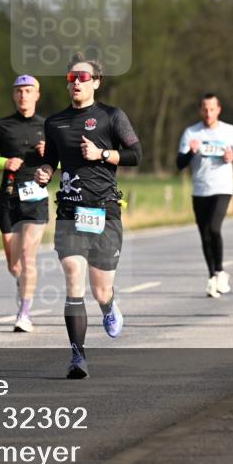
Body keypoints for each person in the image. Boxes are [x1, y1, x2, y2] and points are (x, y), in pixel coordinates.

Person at [35, 53, 142, 379]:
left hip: (104, 210)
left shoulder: (112, 117)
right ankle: (77, 357)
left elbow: (136, 155)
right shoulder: (55, 122)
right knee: (72, 278)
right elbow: (51, 160)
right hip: (69, 210)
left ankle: (109, 306)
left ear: (96, 82)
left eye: (83, 78)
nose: (76, 83)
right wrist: (44, 172)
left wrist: (103, 155)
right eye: (71, 78)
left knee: (100, 289)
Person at [0, 75, 48, 333]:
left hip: (36, 198)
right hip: (8, 197)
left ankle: (24, 313)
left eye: (28, 91)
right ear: (13, 95)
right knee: (15, 265)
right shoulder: (2, 126)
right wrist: (4, 162)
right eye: (19, 91)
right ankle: (23, 287)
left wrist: (50, 154)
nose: (23, 96)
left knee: (28, 255)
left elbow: (66, 162)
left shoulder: (48, 126)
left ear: (37, 95)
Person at [177, 94, 233, 296]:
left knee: (214, 228)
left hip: (222, 187)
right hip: (200, 189)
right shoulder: (191, 132)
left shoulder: (230, 130)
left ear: (219, 110)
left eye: (212, 109)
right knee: (205, 234)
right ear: (200, 110)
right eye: (205, 109)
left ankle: (221, 271)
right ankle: (212, 276)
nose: (208, 113)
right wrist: (191, 152)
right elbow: (179, 164)